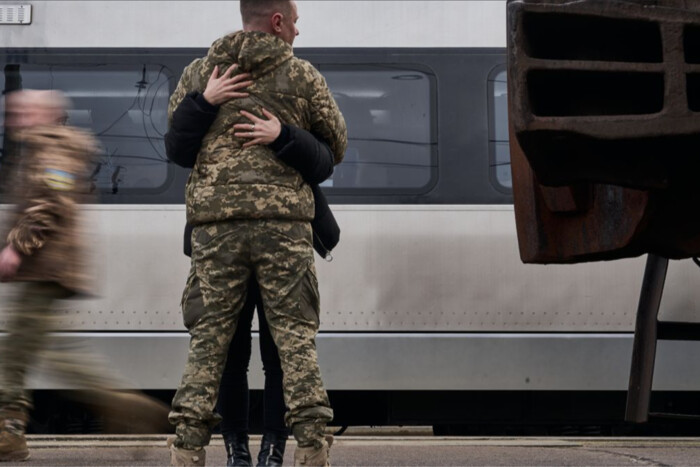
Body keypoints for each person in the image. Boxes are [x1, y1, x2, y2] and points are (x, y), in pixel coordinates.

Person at [166, 0, 347, 465]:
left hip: (215, 231)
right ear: (278, 20)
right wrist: (207, 104)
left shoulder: (200, 71)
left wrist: (278, 131)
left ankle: (186, 451)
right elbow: (336, 149)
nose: (299, 33)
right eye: (297, 22)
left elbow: (176, 149)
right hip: (283, 231)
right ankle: (310, 448)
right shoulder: (303, 76)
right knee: (294, 340)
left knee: (210, 342)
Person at [0, 90, 170, 462]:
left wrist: (16, 247)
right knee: (34, 352)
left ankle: (128, 408)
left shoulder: (54, 148)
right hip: (41, 270)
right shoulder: (39, 147)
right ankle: (11, 430)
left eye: (23, 111)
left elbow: (50, 202)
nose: (14, 118)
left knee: (18, 355)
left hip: (44, 269)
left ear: (48, 114)